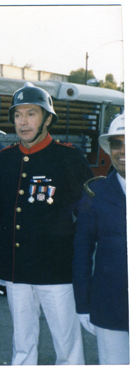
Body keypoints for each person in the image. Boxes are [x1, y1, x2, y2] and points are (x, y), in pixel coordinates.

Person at [0, 82, 94, 365]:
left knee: (66, 344)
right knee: (22, 342)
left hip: (56, 268)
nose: (23, 122)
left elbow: (86, 213)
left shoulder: (68, 156)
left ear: (47, 119)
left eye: (31, 114)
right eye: (18, 115)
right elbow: (0, 214)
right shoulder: (5, 160)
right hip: (16, 268)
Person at [72, 113, 128, 365]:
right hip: (109, 306)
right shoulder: (96, 193)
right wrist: (83, 304)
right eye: (117, 143)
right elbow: (82, 253)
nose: (123, 151)